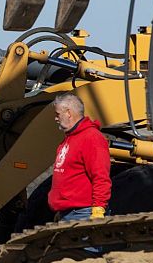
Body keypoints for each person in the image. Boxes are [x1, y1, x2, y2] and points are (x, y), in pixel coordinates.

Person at [47, 94, 111, 234]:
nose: (56, 118)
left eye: (58, 114)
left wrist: (98, 210)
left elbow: (101, 176)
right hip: (69, 214)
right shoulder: (68, 139)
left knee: (81, 255)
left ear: (69, 113)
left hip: (83, 214)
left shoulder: (91, 138)